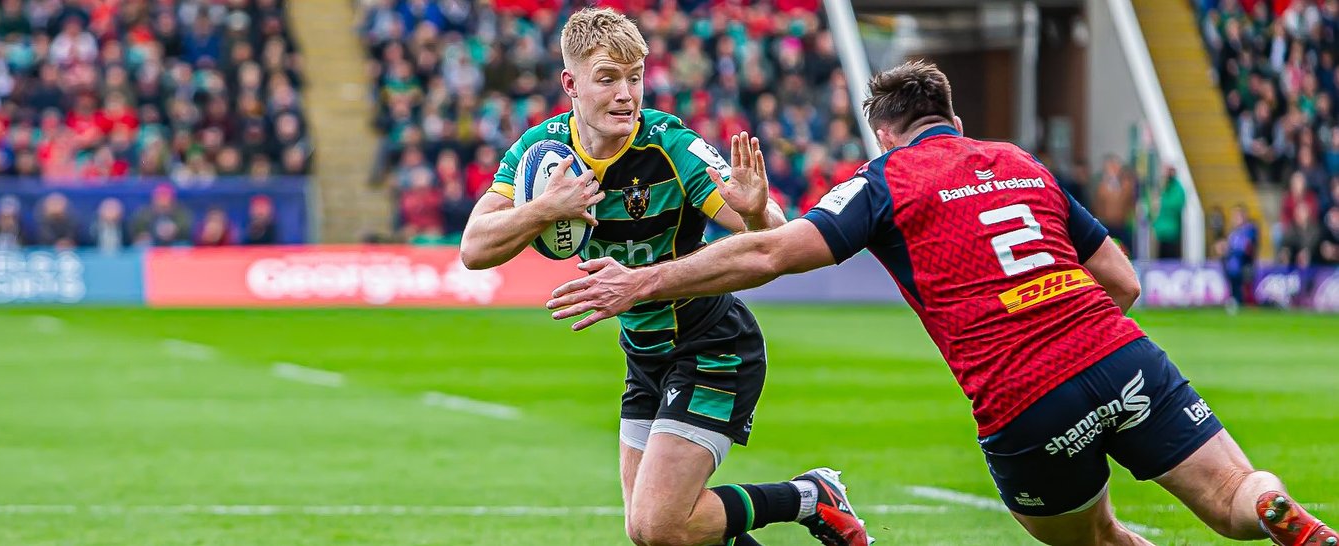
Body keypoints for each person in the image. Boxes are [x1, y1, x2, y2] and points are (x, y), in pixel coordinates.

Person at [548, 61, 1335, 546]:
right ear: (954, 120)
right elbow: (1124, 283)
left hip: (1024, 399)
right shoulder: (1016, 160)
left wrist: (641, 280)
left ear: (885, 136)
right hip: (1122, 356)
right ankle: (1270, 504)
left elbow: (768, 252)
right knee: (1234, 499)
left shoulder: (887, 179)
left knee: (1094, 538)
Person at [459, 8, 869, 546]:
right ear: (571, 84)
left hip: (712, 346)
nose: (626, 94)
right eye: (607, 78)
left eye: (634, 78)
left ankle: (811, 496)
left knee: (661, 524)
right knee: (658, 532)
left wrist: (752, 210)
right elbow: (473, 249)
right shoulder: (543, 152)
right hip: (644, 354)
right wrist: (543, 209)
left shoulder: (671, 145)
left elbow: (773, 236)